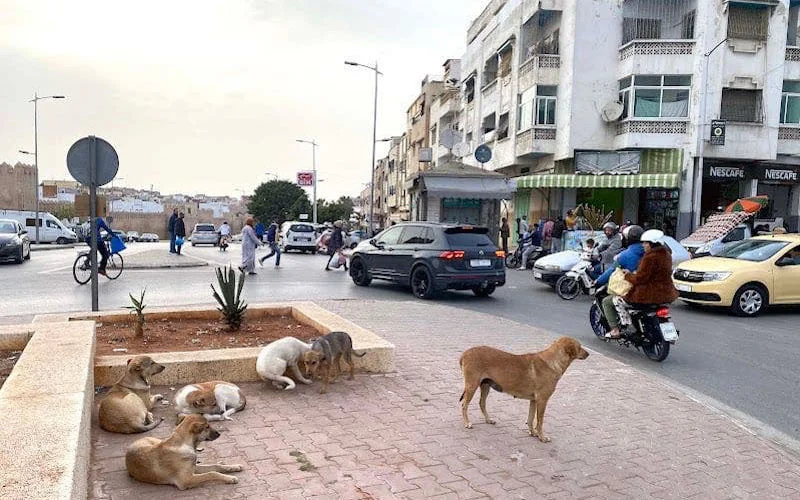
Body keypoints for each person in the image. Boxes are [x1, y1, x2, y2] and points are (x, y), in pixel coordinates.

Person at [604, 229, 678, 339]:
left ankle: (623, 327)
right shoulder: (666, 255)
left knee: (612, 300)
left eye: (645, 243)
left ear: (652, 243)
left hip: (647, 295)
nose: (643, 245)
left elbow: (640, 279)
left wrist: (627, 276)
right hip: (665, 293)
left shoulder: (649, 257)